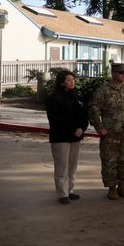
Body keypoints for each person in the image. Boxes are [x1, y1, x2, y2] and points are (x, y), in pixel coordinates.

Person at [89, 62, 124, 200]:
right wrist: (99, 128)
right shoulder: (103, 91)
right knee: (109, 161)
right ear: (113, 73)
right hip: (110, 133)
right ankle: (112, 188)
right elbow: (94, 109)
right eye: (121, 72)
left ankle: (122, 186)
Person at [45, 70, 89, 204]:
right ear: (62, 82)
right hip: (61, 137)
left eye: (73, 80)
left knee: (72, 165)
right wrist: (73, 129)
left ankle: (70, 190)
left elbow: (84, 115)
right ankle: (62, 193)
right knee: (62, 166)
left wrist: (82, 128)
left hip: (76, 137)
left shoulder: (77, 96)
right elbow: (55, 119)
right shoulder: (53, 98)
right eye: (69, 80)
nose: (72, 82)